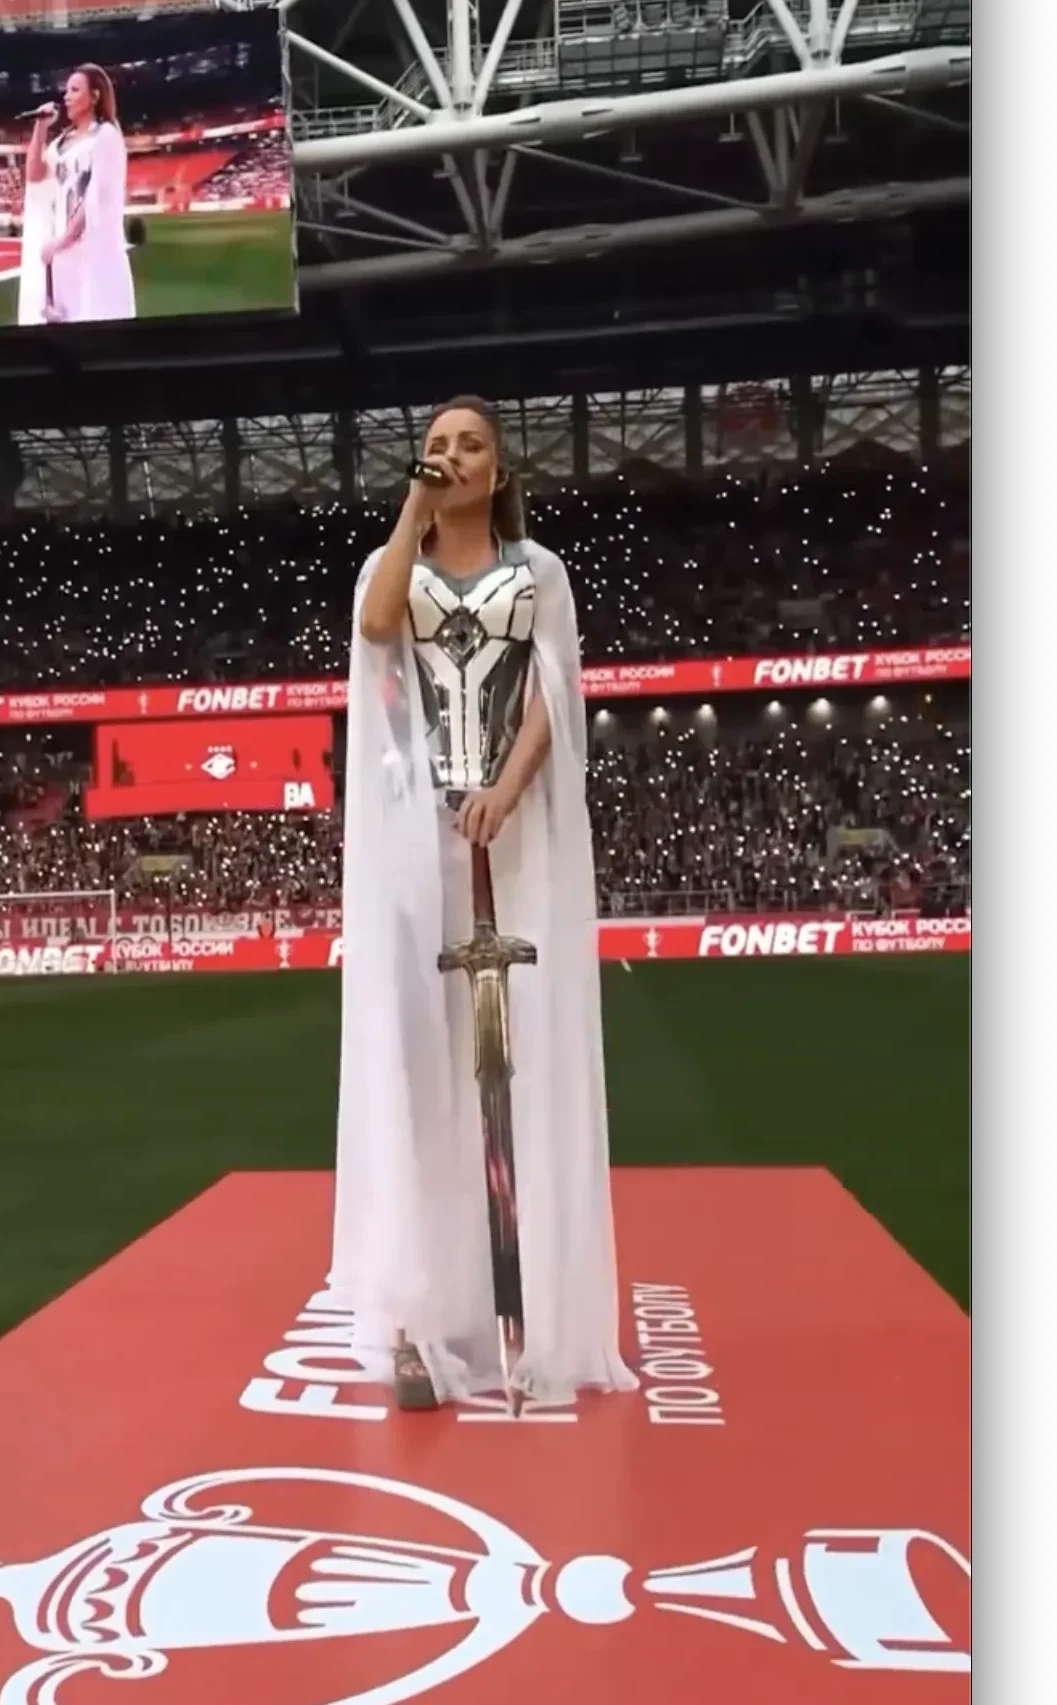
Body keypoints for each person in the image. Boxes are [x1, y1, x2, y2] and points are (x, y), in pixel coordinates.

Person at [330, 395, 638, 1412]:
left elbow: (554, 686)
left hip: (515, 831)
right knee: (421, 1064)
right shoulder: (392, 570)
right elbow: (377, 627)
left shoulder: (538, 570)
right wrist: (409, 513)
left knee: (519, 1058)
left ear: (500, 471)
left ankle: (533, 1310)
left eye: (469, 445)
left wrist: (506, 789)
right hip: (415, 840)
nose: (451, 456)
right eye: (435, 446)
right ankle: (418, 1319)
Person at [18, 63, 135, 327]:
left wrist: (61, 241)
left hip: (92, 252)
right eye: (66, 90)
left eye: (74, 90)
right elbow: (34, 175)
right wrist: (41, 127)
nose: (66, 96)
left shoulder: (105, 136)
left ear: (94, 96)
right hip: (64, 255)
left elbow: (95, 197)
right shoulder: (62, 142)